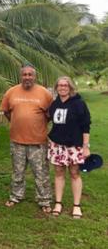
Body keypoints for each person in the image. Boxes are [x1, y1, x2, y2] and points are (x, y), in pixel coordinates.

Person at [1, 65, 53, 213]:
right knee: (17, 172)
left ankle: (44, 200)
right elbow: (6, 111)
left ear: (34, 77)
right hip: (17, 141)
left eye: (30, 75)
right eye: (25, 75)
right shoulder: (11, 92)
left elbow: (50, 115)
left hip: (38, 142)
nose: (27, 77)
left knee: (41, 173)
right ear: (20, 76)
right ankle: (16, 196)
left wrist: (36, 124)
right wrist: (19, 122)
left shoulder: (45, 93)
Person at [48, 76, 91, 219]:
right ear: (56, 88)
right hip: (58, 145)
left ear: (70, 87)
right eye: (60, 85)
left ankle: (76, 205)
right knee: (59, 173)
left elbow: (86, 126)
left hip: (74, 145)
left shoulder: (79, 104)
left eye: (65, 85)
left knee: (74, 173)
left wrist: (85, 147)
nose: (62, 88)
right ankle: (58, 203)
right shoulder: (54, 104)